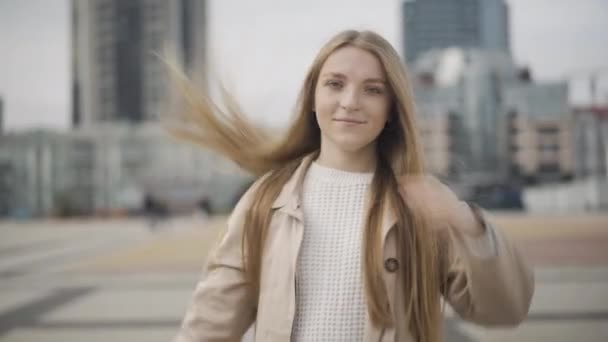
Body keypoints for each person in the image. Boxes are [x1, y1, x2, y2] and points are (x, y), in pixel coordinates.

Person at [170, 30, 534, 342]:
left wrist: (465, 222)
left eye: (372, 90)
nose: (350, 102)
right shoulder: (265, 201)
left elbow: (506, 310)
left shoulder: (424, 203)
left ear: (392, 108)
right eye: (335, 84)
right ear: (313, 97)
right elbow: (208, 328)